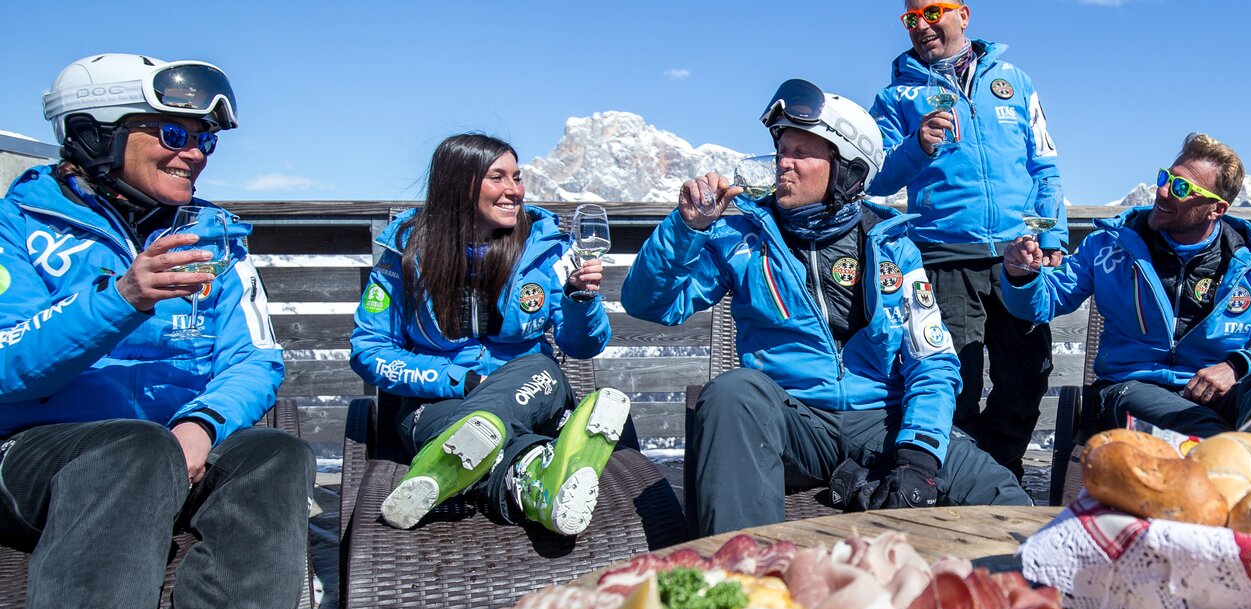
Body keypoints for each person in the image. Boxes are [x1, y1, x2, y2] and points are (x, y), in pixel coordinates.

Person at [624, 79, 1031, 537]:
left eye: (801, 151)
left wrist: (917, 455)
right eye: (782, 149)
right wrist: (687, 228)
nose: (783, 162)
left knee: (1007, 503)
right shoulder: (741, 240)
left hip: (882, 422)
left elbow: (932, 361)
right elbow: (649, 304)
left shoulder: (894, 247)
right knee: (733, 392)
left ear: (848, 170)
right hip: (791, 425)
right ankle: (746, 589)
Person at [0, 53, 312, 609]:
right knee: (134, 448)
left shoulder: (211, 235)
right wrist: (121, 298)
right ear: (95, 135)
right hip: (33, 455)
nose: (193, 153)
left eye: (204, 140)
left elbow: (255, 357)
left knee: (275, 454)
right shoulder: (15, 226)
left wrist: (200, 425)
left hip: (170, 448)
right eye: (173, 133)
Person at [351, 133, 626, 537]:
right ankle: (533, 480)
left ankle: (437, 466)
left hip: (532, 387)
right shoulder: (405, 253)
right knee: (460, 427)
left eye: (517, 177)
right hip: (437, 399)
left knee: (535, 365)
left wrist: (578, 300)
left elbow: (582, 346)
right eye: (498, 178)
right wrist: (459, 380)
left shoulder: (544, 248)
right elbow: (369, 350)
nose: (514, 190)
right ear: (458, 185)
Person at [1002, 134, 1251, 436]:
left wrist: (1238, 365)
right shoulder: (1109, 246)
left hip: (1217, 396)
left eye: (1181, 188)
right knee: (1202, 430)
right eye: (1165, 177)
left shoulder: (1250, 264)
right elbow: (1041, 303)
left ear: (1216, 209)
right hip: (1129, 390)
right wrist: (1023, 275)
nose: (1162, 191)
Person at [868, 0, 1064, 476]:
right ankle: (962, 478)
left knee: (1027, 376)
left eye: (933, 11)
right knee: (954, 384)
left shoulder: (1013, 81)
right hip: (942, 256)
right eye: (911, 19)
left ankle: (997, 472)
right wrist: (916, 146)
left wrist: (1053, 234)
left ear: (963, 14)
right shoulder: (897, 96)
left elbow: (1045, 165)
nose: (923, 26)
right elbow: (874, 177)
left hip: (1019, 255)